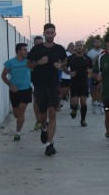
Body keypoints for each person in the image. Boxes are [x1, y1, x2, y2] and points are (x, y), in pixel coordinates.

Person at [27, 23, 67, 156]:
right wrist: (39, 62)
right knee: (43, 116)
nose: (50, 35)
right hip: (40, 86)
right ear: (44, 34)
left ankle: (50, 144)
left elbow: (65, 60)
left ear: (55, 33)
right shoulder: (37, 49)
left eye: (52, 32)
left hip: (53, 85)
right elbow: (28, 64)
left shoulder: (59, 48)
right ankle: (44, 128)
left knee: (53, 113)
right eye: (47, 32)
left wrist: (60, 65)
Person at [1, 43, 32, 141]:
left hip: (26, 90)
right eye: (24, 50)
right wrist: (11, 85)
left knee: (22, 110)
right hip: (14, 91)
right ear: (19, 51)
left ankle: (17, 133)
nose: (26, 51)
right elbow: (3, 76)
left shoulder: (29, 61)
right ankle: (19, 120)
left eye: (26, 50)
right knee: (16, 114)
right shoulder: (10, 62)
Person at [65, 41, 93, 127]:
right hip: (74, 83)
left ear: (83, 47)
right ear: (75, 48)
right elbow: (64, 67)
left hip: (84, 83)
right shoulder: (71, 58)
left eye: (81, 45)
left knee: (83, 102)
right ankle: (74, 109)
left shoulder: (87, 58)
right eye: (77, 46)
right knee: (74, 102)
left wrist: (90, 72)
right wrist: (69, 73)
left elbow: (92, 69)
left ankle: (83, 120)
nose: (79, 47)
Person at [87, 36, 104, 114]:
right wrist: (95, 59)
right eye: (96, 42)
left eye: (98, 42)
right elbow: (88, 64)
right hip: (93, 73)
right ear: (94, 43)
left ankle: (101, 105)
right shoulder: (90, 52)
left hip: (101, 73)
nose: (97, 43)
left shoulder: (103, 51)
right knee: (94, 89)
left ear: (100, 43)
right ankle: (94, 103)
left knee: (101, 89)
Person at [32, 36, 43, 131]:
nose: (39, 45)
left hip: (48, 80)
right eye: (37, 43)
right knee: (36, 100)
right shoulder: (32, 53)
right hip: (36, 79)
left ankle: (43, 119)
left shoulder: (48, 51)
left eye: (40, 43)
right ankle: (38, 120)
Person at [60, 42, 75, 107]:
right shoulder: (65, 54)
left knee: (73, 92)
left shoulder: (76, 55)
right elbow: (61, 65)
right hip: (65, 76)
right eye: (70, 46)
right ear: (68, 47)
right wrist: (68, 72)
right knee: (64, 92)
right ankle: (63, 98)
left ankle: (72, 106)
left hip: (74, 77)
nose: (72, 47)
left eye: (73, 46)